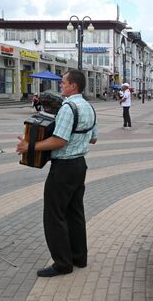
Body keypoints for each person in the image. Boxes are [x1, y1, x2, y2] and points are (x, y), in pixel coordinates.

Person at [16, 70, 98, 277]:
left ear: (73, 86)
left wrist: (30, 146)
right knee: (75, 213)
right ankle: (79, 257)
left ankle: (62, 263)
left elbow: (59, 141)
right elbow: (93, 138)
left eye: (63, 83)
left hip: (63, 168)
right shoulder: (89, 107)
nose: (61, 86)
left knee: (54, 216)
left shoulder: (68, 108)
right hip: (80, 165)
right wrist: (77, 139)